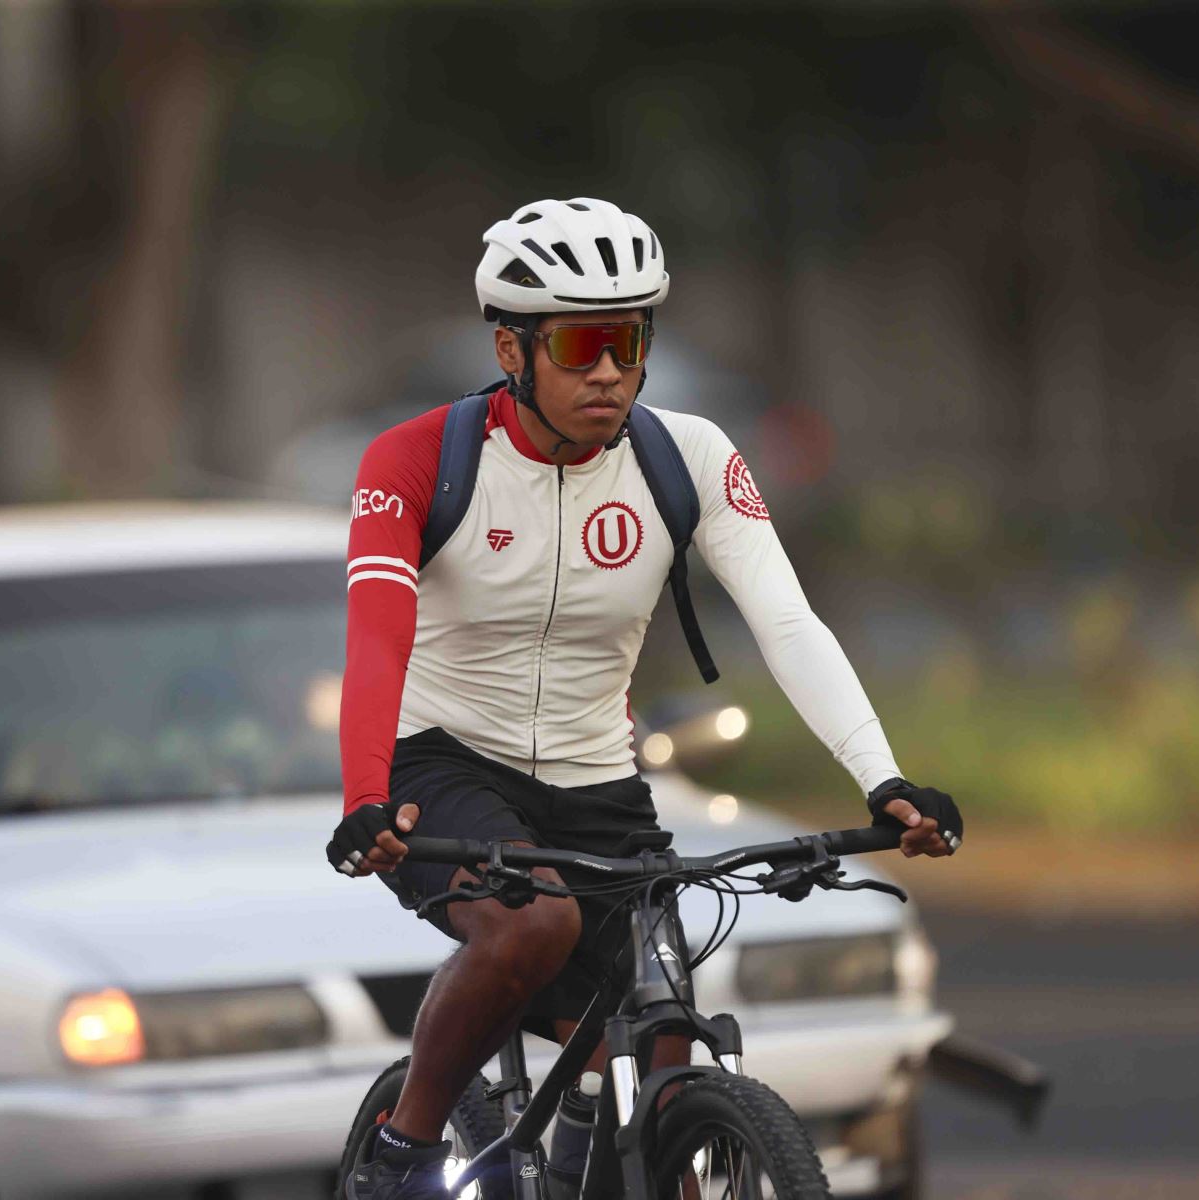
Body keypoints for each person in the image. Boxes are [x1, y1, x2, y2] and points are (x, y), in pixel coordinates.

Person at [326, 197, 962, 1198]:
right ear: (511, 347)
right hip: (442, 759)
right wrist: (367, 794)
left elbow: (789, 625)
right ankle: (403, 1154)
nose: (610, 371)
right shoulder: (413, 463)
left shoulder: (690, 460)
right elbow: (376, 642)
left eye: (628, 339)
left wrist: (882, 779)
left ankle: (590, 1153)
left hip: (596, 775)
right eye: (580, 344)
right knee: (534, 926)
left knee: (660, 1033)